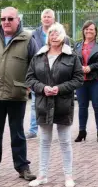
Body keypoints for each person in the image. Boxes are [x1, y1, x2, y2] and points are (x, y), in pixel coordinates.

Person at [0, 7, 39, 181]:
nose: (6, 22)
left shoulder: (27, 39)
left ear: (17, 19)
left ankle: (22, 167)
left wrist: (27, 87)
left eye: (10, 19)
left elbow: (36, 65)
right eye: (3, 18)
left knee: (17, 133)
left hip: (16, 95)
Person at [26, 23, 83, 187]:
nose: (54, 36)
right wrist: (42, 88)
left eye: (57, 33)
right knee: (44, 141)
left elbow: (78, 79)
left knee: (65, 141)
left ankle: (68, 176)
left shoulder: (72, 56)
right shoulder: (38, 56)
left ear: (63, 36)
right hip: (43, 104)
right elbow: (29, 78)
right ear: (47, 36)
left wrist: (60, 88)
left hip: (63, 103)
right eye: (51, 33)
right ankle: (42, 175)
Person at [26, 8, 71, 140]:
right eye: (44, 16)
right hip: (39, 75)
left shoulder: (63, 35)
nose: (46, 18)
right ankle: (33, 130)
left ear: (54, 19)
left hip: (58, 76)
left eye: (49, 16)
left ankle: (60, 129)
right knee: (36, 104)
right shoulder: (33, 35)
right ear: (41, 19)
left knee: (59, 104)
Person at [73, 20, 98, 143]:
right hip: (81, 80)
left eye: (91, 29)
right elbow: (73, 60)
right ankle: (82, 131)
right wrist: (80, 68)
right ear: (83, 30)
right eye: (86, 29)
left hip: (96, 79)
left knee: (97, 106)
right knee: (82, 106)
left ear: (95, 32)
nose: (89, 31)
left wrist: (91, 67)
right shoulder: (77, 45)